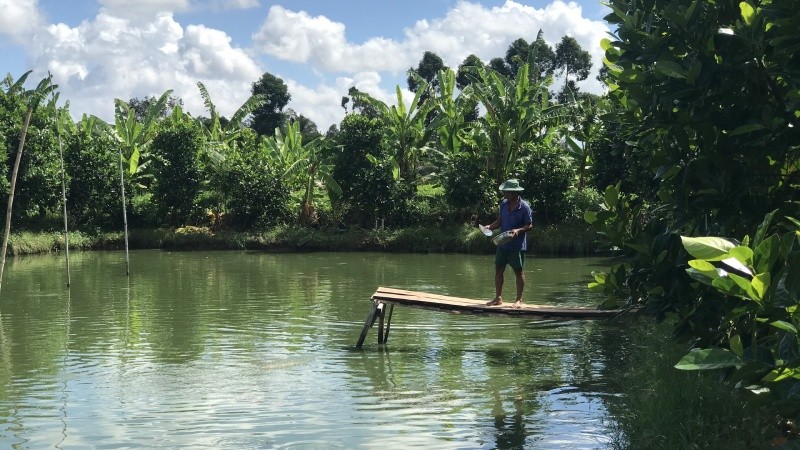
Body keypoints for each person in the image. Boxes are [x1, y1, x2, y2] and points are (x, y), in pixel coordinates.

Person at [482, 179, 533, 308]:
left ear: (514, 193)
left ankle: (519, 300)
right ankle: (498, 298)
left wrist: (519, 230)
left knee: (518, 271)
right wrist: (490, 227)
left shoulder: (524, 207)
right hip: (502, 243)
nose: (504, 194)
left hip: (516, 245)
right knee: (498, 269)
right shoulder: (504, 204)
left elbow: (529, 225)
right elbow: (500, 220)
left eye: (507, 192)